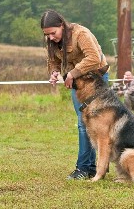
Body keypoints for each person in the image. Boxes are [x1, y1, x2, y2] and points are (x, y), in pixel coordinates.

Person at [40, 10, 109, 179]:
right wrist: (54, 72)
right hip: (77, 81)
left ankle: (83, 168)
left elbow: (94, 57)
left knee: (94, 124)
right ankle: (90, 168)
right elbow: (53, 60)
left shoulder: (81, 34)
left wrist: (72, 73)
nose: (50, 38)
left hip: (95, 78)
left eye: (53, 33)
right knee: (83, 122)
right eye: (47, 34)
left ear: (62, 25)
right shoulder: (51, 39)